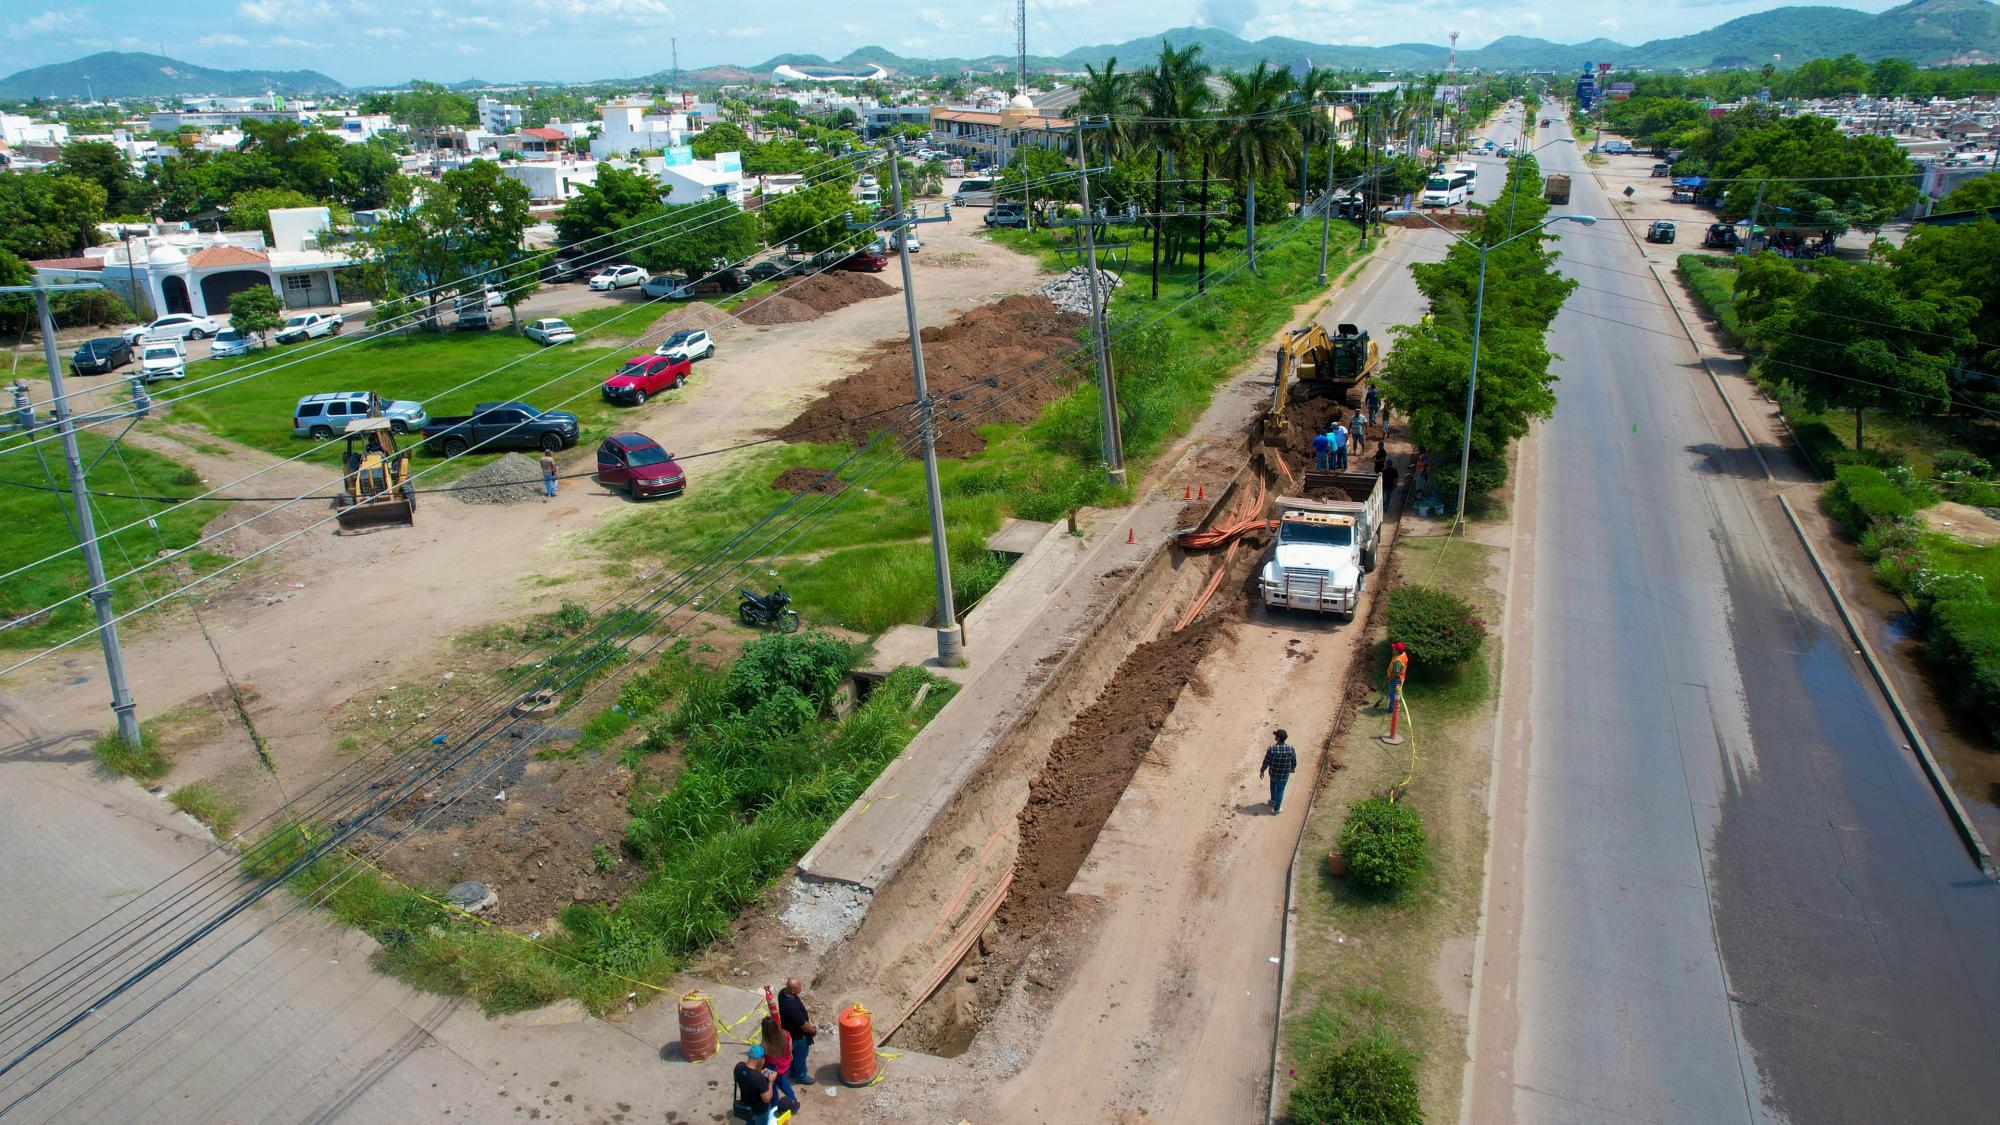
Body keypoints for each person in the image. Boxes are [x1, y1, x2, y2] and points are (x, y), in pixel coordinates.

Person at [733, 1044, 796, 1123]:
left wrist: (759, 1072)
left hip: (746, 1107)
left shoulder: (739, 1067)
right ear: (761, 1059)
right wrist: (770, 1082)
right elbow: (767, 1099)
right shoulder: (759, 1078)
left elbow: (747, 1078)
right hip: (759, 1112)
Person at [777, 978, 817, 1085]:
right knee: (800, 1056)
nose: (801, 988)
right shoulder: (792, 1008)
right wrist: (813, 1031)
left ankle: (793, 1071)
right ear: (793, 991)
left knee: (792, 1054)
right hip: (798, 1036)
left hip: (788, 1033)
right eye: (799, 987)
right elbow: (804, 1026)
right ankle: (801, 1076)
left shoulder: (782, 993)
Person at [760, 1012, 798, 1107]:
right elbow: (790, 1049)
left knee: (772, 1087)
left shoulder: (765, 1045)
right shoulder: (786, 1035)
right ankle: (793, 1101)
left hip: (771, 1070)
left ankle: (774, 1105)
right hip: (784, 1066)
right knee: (783, 1082)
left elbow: (762, 1061)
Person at [1260, 729, 1298, 814]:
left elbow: (1266, 761)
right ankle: (1276, 809)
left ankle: (1273, 801)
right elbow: (1294, 761)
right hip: (1284, 775)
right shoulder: (1291, 749)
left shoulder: (1272, 749)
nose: (1275, 736)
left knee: (1273, 785)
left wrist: (1262, 770)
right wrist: (1292, 769)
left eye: (1276, 735)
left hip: (1273, 773)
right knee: (1280, 790)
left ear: (1279, 738)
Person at [1385, 642, 1410, 717]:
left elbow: (1395, 673)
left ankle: (1391, 709)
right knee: (1398, 692)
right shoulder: (1403, 654)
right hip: (1401, 678)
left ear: (1398, 651)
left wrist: (1389, 679)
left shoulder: (1398, 661)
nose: (1392, 649)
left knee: (1393, 694)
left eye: (1394, 649)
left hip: (1396, 679)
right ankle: (1398, 705)